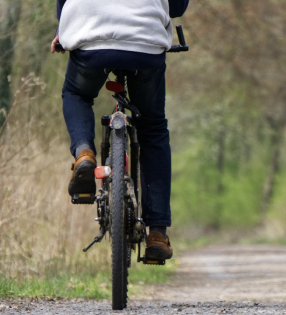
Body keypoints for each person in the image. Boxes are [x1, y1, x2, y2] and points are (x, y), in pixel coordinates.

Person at [51, 0, 189, 261]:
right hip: (144, 42)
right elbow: (178, 6)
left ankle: (84, 153)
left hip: (89, 34)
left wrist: (64, 28)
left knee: (76, 93)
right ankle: (157, 233)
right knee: (152, 127)